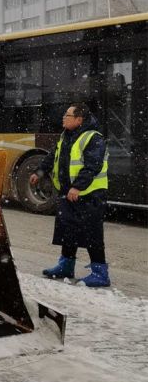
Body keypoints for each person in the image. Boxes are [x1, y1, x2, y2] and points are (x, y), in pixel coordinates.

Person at [30, 102, 110, 287]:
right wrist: (39, 171)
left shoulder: (93, 138)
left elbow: (93, 165)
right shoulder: (66, 136)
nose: (63, 117)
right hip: (68, 192)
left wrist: (78, 187)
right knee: (68, 230)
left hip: (89, 194)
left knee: (92, 233)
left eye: (68, 115)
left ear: (79, 119)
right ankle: (66, 265)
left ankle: (100, 273)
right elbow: (53, 157)